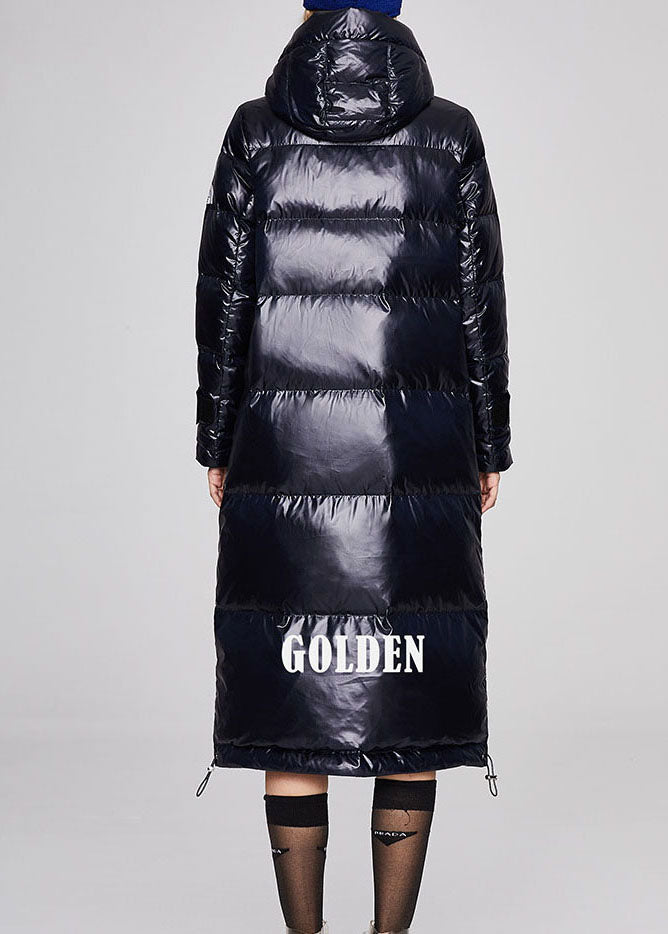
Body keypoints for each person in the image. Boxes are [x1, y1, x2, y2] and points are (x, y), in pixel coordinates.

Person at [194, 1, 512, 931]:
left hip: (282, 451)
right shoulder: (451, 137)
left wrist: (218, 438)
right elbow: (479, 306)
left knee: (291, 704)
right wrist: (488, 441)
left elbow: (224, 300)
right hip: (416, 455)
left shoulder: (254, 135)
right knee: (407, 704)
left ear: (307, 7)